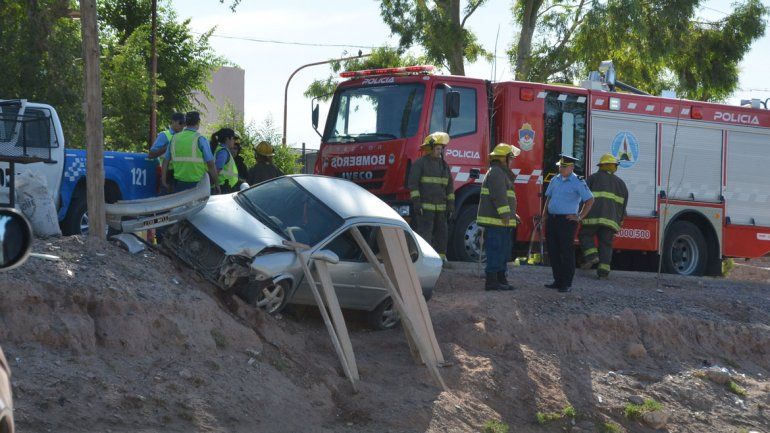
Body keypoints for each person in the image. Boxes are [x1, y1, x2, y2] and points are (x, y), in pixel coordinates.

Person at [542, 154, 594, 292]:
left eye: (564, 166)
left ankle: (566, 283)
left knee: (566, 252)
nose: (561, 168)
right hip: (552, 220)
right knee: (553, 251)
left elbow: (590, 200)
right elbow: (549, 198)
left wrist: (579, 216)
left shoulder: (578, 182)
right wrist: (544, 215)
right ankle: (557, 280)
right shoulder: (555, 179)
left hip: (566, 221)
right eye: (560, 166)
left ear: (571, 167)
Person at [477, 143, 521, 291]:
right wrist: (505, 214)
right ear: (504, 159)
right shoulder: (496, 172)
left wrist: (512, 214)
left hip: (502, 221)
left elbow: (505, 198)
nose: (512, 161)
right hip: (497, 221)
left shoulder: (500, 172)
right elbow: (499, 196)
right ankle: (492, 281)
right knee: (495, 251)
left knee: (502, 251)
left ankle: (501, 279)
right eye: (511, 158)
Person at [407, 131, 454, 266]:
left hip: (441, 208)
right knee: (425, 234)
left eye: (441, 149)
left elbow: (450, 188)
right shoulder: (420, 164)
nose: (440, 151)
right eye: (437, 148)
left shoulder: (444, 166)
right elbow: (413, 184)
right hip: (425, 207)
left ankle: (441, 260)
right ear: (430, 149)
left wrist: (451, 206)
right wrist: (417, 204)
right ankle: (424, 260)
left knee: (442, 234)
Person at [578, 153, 628, 278]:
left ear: (601, 166)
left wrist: (578, 213)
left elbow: (582, 196)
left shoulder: (592, 178)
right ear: (613, 167)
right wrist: (620, 220)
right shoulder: (621, 184)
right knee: (606, 244)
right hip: (611, 221)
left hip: (592, 218)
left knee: (584, 235)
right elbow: (623, 205)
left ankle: (592, 257)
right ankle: (603, 273)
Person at [161, 111, 219, 194]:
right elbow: (211, 164)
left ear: (185, 123)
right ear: (198, 122)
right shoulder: (201, 139)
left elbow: (165, 161)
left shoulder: (174, 138)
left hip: (178, 184)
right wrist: (217, 184)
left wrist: (163, 181)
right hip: (197, 185)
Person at [148, 112, 185, 192]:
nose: (182, 126)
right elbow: (151, 155)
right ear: (173, 122)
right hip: (167, 172)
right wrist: (167, 147)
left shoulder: (183, 137)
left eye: (184, 124)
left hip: (179, 172)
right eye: (180, 123)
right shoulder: (164, 135)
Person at [211, 128, 240, 193]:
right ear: (227, 139)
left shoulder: (222, 150)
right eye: (233, 138)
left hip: (225, 186)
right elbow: (217, 170)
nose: (234, 141)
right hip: (223, 187)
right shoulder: (223, 152)